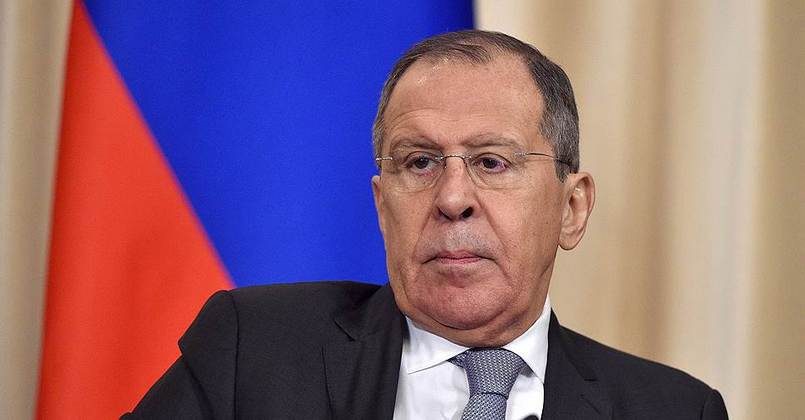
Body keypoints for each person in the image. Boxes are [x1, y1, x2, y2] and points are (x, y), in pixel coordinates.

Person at [124, 30, 728, 419]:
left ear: (572, 209)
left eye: (492, 162)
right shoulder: (253, 352)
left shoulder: (674, 410)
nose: (453, 198)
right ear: (382, 205)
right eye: (420, 162)